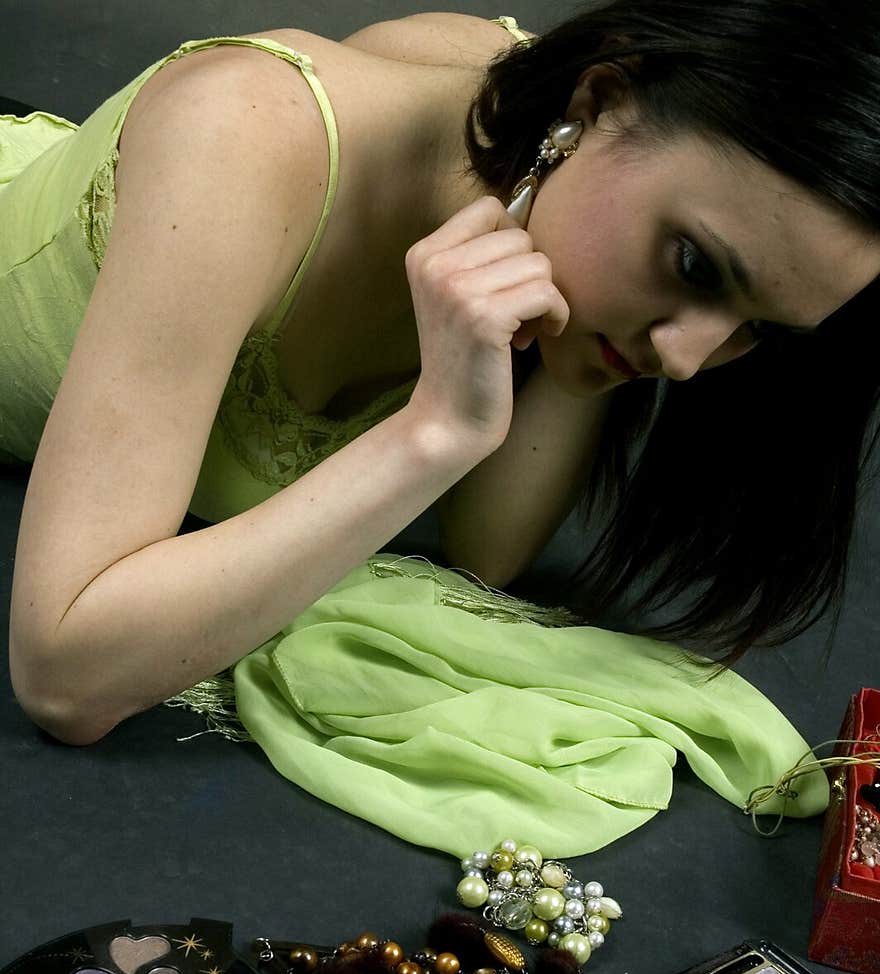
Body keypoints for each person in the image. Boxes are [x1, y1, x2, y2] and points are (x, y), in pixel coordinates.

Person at [3, 2, 880, 752]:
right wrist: (430, 433)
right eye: (692, 263)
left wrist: (563, 368)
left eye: (756, 326)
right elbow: (66, 676)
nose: (687, 360)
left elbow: (486, 550)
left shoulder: (560, 187)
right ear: (596, 104)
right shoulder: (239, 139)